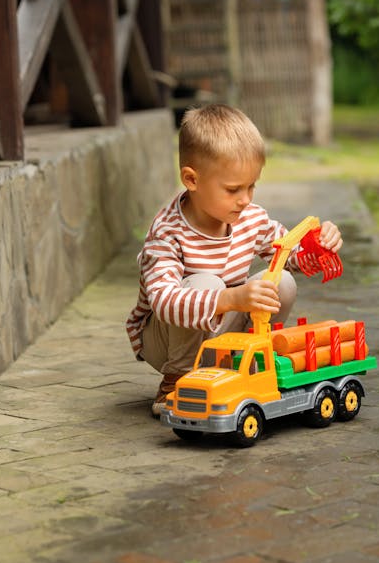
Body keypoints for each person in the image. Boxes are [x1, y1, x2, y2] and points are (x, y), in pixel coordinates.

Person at [125, 104, 343, 417]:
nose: (246, 199)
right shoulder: (166, 233)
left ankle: (247, 365)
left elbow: (289, 255)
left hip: (222, 331)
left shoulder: (250, 218)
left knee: (280, 281)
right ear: (192, 179)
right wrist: (230, 297)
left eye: (251, 186)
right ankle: (178, 379)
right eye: (233, 189)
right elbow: (165, 301)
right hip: (166, 340)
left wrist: (318, 246)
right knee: (205, 283)